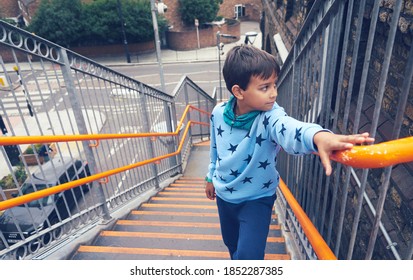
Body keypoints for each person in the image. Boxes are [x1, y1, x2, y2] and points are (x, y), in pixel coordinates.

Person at [204, 45, 374, 260]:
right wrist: (210, 176)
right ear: (238, 91)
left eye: (274, 84)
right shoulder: (218, 113)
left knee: (249, 257)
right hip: (224, 196)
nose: (274, 93)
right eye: (264, 87)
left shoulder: (270, 116)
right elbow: (215, 149)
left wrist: (318, 136)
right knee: (232, 245)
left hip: (257, 199)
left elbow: (290, 128)